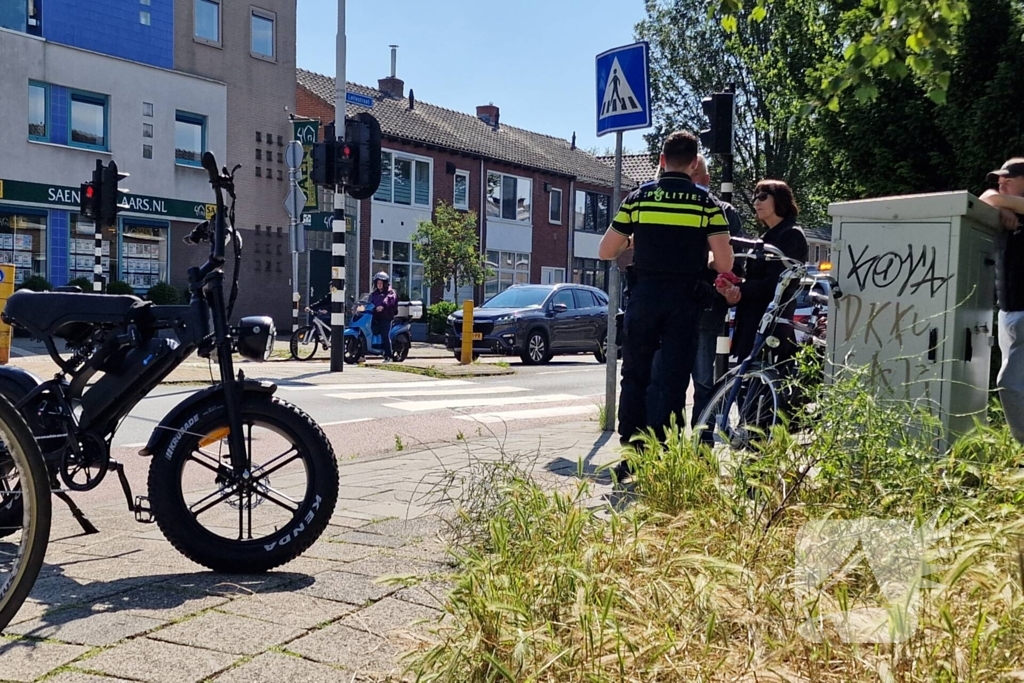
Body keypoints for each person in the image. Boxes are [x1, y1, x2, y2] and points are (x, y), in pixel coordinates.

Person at [598, 131, 735, 481]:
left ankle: (632, 452)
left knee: (636, 374)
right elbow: (724, 263)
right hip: (684, 301)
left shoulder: (639, 198)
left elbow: (605, 251)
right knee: (672, 379)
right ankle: (662, 451)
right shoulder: (707, 204)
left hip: (644, 297)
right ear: (693, 163)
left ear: (661, 160)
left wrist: (634, 238)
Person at [647, 154, 744, 427]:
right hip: (666, 311)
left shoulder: (723, 211)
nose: (688, 179)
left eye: (695, 173)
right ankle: (664, 444)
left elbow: (733, 263)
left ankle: (702, 446)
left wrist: (729, 284)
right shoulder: (660, 204)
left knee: (703, 383)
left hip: (705, 312)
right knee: (664, 382)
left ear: (705, 179)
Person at [715, 180, 808, 377]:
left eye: (763, 196)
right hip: (753, 320)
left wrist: (741, 289)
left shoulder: (790, 234)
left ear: (780, 200)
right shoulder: (768, 236)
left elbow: (776, 283)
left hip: (771, 324)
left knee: (759, 390)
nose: (756, 202)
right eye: (754, 197)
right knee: (745, 386)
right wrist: (735, 285)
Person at [979, 157, 1024, 443]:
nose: (1001, 183)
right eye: (999, 179)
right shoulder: (1007, 212)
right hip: (1007, 312)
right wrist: (1004, 206)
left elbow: (991, 198)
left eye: (1009, 178)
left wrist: (1002, 203)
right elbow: (985, 198)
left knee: (1008, 385)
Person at [369, 272, 398, 361]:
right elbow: (369, 300)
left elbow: (389, 299)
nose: (379, 285)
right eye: (378, 283)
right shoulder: (374, 293)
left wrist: (383, 305)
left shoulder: (390, 292)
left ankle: (388, 355)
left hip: (386, 317)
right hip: (375, 316)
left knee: (385, 335)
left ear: (385, 283)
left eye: (381, 283)